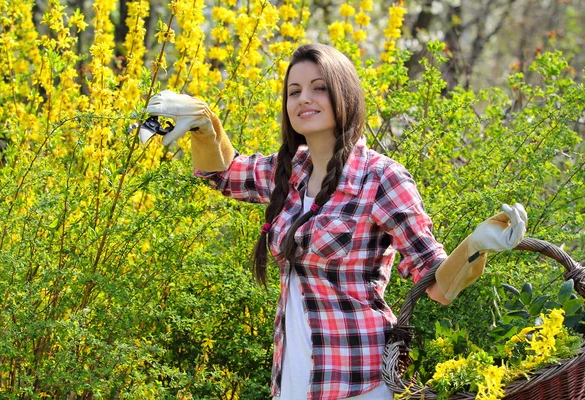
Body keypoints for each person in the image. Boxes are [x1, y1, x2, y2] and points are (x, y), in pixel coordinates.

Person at [142, 43, 527, 400]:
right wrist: (204, 123)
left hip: (356, 381)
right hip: (292, 376)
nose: (304, 99)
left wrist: (475, 246)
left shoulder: (380, 178)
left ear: (344, 95)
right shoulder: (291, 170)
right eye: (294, 91)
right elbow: (225, 173)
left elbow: (438, 285)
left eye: (318, 88)